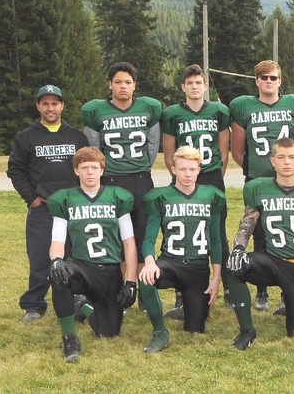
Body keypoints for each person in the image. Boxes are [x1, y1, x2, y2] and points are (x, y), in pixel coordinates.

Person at [223, 137, 294, 350]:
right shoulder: (260, 188)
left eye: (291, 157)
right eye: (281, 157)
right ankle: (247, 331)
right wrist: (238, 249)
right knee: (234, 265)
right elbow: (246, 225)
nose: (286, 162)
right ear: (272, 161)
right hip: (271, 262)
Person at [82, 62, 162, 311]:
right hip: (111, 182)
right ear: (110, 84)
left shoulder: (149, 107)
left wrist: (138, 170)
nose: (123, 86)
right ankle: (121, 289)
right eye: (118, 82)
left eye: (128, 82)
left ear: (134, 85)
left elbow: (152, 146)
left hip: (140, 180)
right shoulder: (96, 110)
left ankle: (142, 292)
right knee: (114, 239)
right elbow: (94, 149)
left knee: (140, 237)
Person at [230, 60, 294, 314]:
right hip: (258, 182)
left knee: (288, 236)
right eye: (264, 77)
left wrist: (288, 170)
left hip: (289, 182)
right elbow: (238, 150)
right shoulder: (244, 106)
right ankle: (262, 291)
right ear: (256, 81)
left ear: (280, 80)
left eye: (273, 77)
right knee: (259, 234)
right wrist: (258, 173)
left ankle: (289, 291)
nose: (269, 82)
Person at [46, 147, 137, 362]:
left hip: (110, 271)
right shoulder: (66, 199)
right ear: (76, 170)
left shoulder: (117, 197)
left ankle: (82, 306)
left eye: (94, 167)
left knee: (109, 333)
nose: (89, 172)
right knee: (58, 274)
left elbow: (129, 243)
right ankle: (70, 338)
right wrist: (57, 260)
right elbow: (57, 239)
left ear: (102, 170)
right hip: (81, 267)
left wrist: (131, 281)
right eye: (84, 167)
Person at [7, 84, 89, 322]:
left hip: (73, 209)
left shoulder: (77, 137)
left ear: (62, 106)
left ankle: (78, 298)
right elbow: (15, 170)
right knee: (41, 257)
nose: (50, 108)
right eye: (45, 103)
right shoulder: (26, 137)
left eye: (55, 103)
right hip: (42, 210)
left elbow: (88, 168)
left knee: (75, 255)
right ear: (38, 106)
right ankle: (34, 305)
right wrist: (32, 199)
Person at [160, 64, 232, 318]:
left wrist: (214, 175)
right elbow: (169, 152)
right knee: (181, 233)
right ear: (183, 87)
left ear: (205, 85)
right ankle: (182, 292)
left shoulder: (218, 111)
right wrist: (180, 178)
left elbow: (224, 151)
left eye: (198, 82)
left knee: (217, 233)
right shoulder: (172, 114)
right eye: (189, 83)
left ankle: (226, 288)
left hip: (210, 174)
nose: (194, 87)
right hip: (182, 177)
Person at [138, 146, 225, 353]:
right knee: (146, 277)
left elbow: (215, 238)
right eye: (183, 169)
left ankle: (187, 308)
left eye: (192, 169)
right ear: (173, 169)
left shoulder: (211, 195)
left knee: (195, 328)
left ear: (199, 170)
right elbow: (149, 238)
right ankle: (160, 332)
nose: (188, 174)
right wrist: (150, 261)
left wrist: (216, 278)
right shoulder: (161, 196)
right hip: (171, 262)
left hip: (198, 268)